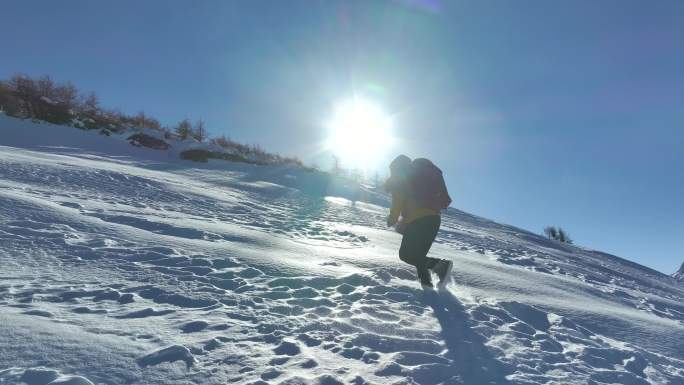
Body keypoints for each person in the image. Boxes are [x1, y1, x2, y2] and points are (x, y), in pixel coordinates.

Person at [385, 154, 453, 288]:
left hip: (417, 221)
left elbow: (398, 201)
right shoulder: (420, 176)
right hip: (433, 220)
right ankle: (427, 285)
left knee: (406, 255)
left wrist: (392, 219)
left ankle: (441, 267)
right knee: (419, 256)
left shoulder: (402, 178)